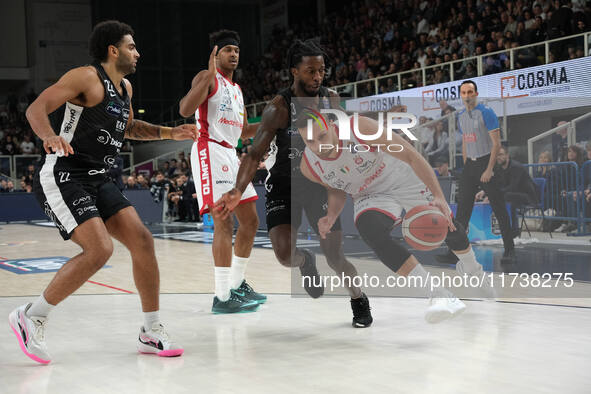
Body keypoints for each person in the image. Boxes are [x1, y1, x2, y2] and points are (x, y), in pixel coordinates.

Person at [8, 20, 195, 364]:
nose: (137, 53)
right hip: (64, 173)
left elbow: (129, 128)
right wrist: (49, 136)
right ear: (113, 50)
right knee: (100, 250)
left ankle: (151, 330)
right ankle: (32, 315)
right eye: (131, 46)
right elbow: (36, 109)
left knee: (142, 240)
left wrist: (171, 132)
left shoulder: (125, 88)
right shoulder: (86, 77)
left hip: (100, 176)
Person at [216, 40, 373, 328]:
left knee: (336, 256)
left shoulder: (331, 99)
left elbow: (341, 144)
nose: (317, 76)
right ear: (294, 72)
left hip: (320, 184)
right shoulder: (278, 107)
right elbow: (253, 153)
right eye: (310, 71)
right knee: (285, 255)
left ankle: (358, 299)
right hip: (284, 183)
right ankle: (305, 262)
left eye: (321, 70)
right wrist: (238, 189)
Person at [295, 113, 495, 322]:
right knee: (371, 232)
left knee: (447, 225)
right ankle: (439, 295)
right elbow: (336, 189)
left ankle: (473, 270)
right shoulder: (309, 166)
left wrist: (438, 196)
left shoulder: (359, 128)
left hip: (403, 177)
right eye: (310, 141)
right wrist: (331, 215)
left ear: (333, 126)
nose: (319, 146)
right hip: (369, 194)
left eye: (323, 136)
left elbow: (411, 155)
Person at [179, 30, 265, 313]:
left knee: (250, 220)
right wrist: (207, 73)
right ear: (216, 54)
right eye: (227, 49)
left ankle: (237, 284)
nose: (234, 54)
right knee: (224, 222)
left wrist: (271, 125)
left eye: (237, 51)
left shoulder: (237, 90)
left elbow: (241, 133)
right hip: (209, 148)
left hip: (230, 151)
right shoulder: (207, 79)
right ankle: (222, 297)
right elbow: (184, 109)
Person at [437, 80, 515, 264]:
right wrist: (467, 165)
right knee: (462, 211)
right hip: (470, 166)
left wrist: (488, 169)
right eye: (463, 92)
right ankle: (455, 252)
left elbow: (496, 143)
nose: (467, 95)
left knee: (499, 208)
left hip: (487, 162)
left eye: (470, 92)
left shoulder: (486, 113)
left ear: (476, 93)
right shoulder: (461, 115)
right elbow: (465, 141)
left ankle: (510, 249)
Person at [477, 146, 538, 238]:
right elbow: (496, 184)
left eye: (501, 154)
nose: (498, 157)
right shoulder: (499, 168)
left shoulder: (516, 167)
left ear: (507, 156)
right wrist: (485, 192)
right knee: (503, 197)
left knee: (506, 197)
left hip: (527, 196)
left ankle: (513, 232)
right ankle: (495, 230)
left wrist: (493, 195)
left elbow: (513, 187)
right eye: (497, 155)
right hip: (512, 195)